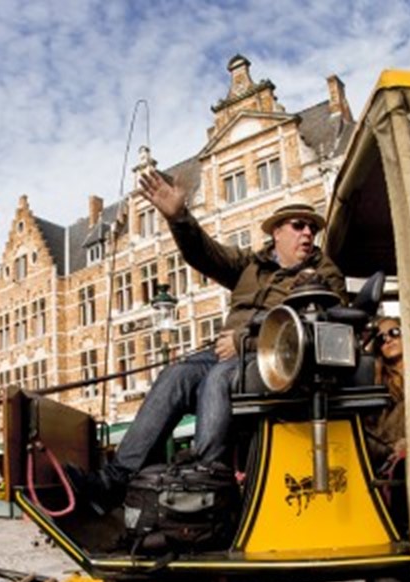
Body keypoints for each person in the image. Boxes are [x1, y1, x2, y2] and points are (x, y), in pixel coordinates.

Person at [70, 172, 346, 510]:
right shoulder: (251, 265)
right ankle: (116, 479)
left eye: (311, 228)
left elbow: (319, 324)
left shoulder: (323, 271)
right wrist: (179, 217)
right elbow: (204, 254)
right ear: (276, 232)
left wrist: (245, 339)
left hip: (276, 364)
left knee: (218, 377)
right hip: (228, 355)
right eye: (299, 226)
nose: (308, 233)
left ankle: (206, 482)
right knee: (175, 375)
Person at [365, 316, 407, 470]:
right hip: (390, 454)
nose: (388, 339)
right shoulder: (377, 381)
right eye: (381, 339)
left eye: (394, 332)